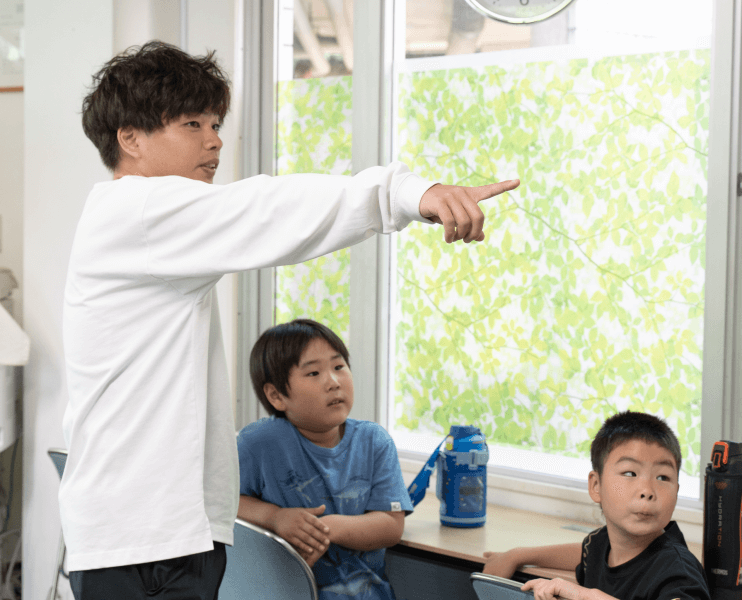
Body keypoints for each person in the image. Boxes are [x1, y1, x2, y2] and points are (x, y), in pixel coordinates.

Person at [61, 40, 519, 600]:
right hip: (140, 542)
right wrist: (405, 193)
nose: (214, 140)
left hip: (168, 532)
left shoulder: (150, 225)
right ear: (130, 138)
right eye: (192, 124)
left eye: (215, 124)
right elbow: (269, 208)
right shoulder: (138, 212)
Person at [237, 319, 412, 600]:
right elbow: (221, 501)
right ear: (276, 395)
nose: (333, 382)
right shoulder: (258, 443)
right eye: (314, 373)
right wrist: (274, 517)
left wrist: (324, 529)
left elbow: (391, 525)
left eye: (339, 367)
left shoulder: (374, 441)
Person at [482, 411, 710, 600]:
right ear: (596, 486)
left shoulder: (678, 571)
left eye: (663, 477)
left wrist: (584, 595)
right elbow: (585, 553)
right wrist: (517, 555)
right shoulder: (602, 543)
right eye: (630, 473)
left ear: (676, 491)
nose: (647, 491)